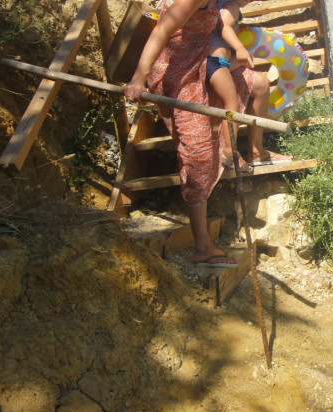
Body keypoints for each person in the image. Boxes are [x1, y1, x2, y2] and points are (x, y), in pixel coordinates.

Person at [124, 0, 291, 267]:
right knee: (198, 154)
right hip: (178, 76)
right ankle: (202, 247)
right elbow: (161, 30)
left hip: (198, 68)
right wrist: (138, 79)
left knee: (254, 82)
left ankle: (241, 150)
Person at [206, 0, 255, 172]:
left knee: (231, 100)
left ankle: (230, 150)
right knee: (232, 103)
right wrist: (240, 48)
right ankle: (229, 150)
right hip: (214, 61)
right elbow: (224, 26)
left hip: (218, 62)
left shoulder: (221, 4)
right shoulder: (231, 5)